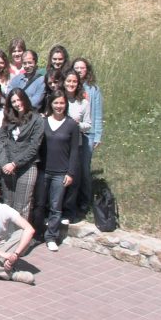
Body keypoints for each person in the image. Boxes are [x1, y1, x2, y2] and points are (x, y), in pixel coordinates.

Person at [34, 91, 80, 252]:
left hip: (61, 172)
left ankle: (51, 236)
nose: (59, 106)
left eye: (62, 103)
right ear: (51, 104)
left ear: (66, 104)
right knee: (39, 204)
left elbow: (75, 151)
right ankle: (37, 234)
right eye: (56, 103)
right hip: (43, 170)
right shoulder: (43, 122)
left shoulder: (72, 125)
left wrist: (70, 172)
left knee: (55, 206)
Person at [0, 88, 44, 221]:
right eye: (14, 101)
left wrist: (15, 163)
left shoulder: (37, 120)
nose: (17, 103)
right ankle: (8, 232)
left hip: (26, 166)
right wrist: (4, 163)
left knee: (21, 206)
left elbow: (34, 147)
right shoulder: (8, 119)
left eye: (19, 99)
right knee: (7, 204)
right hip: (6, 166)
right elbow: (1, 141)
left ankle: (21, 233)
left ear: (25, 99)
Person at [71, 57, 103, 216]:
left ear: (87, 70)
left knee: (84, 168)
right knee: (73, 168)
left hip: (88, 134)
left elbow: (97, 113)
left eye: (82, 68)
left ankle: (85, 201)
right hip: (72, 133)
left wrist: (98, 135)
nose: (79, 70)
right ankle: (73, 200)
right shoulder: (71, 85)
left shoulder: (93, 89)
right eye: (76, 68)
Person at [61, 70, 92, 222]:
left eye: (74, 81)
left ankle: (69, 211)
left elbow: (88, 125)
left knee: (73, 179)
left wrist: (76, 125)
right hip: (58, 146)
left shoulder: (83, 103)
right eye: (68, 81)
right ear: (63, 82)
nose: (71, 84)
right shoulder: (58, 99)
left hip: (75, 145)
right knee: (58, 179)